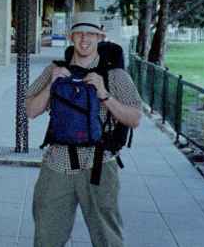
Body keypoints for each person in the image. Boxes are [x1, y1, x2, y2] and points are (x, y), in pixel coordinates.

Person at [25, 12, 142, 247]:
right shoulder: (54, 70)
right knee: (46, 233)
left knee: (106, 235)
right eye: (79, 33)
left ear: (100, 37)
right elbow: (30, 110)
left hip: (99, 163)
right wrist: (52, 84)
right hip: (57, 162)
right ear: (71, 37)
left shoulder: (115, 75)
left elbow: (135, 118)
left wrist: (105, 94)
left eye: (91, 34)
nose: (84, 39)